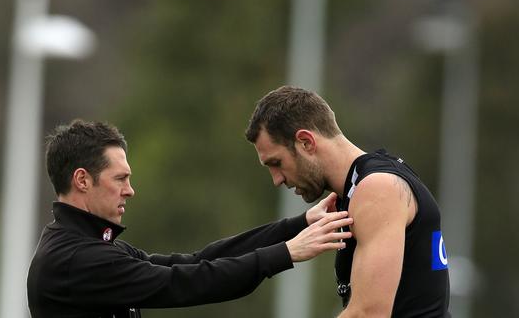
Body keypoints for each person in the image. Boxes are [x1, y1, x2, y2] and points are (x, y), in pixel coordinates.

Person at [27, 119, 353, 318]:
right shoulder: (75, 259)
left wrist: (298, 225)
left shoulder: (87, 247)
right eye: (120, 179)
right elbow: (187, 283)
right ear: (82, 180)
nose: (130, 191)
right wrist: (287, 253)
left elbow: (195, 262)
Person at [245, 86, 451, 317]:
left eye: (277, 162)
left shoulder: (378, 188)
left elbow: (368, 313)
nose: (277, 179)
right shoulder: (358, 188)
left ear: (306, 142)